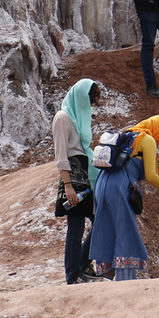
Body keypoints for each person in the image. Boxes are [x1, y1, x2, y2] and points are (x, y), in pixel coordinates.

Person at [90, 115, 159, 281]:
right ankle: (126, 280)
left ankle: (105, 275)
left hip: (102, 185)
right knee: (125, 229)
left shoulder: (128, 134)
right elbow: (151, 176)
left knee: (105, 227)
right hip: (119, 187)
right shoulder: (147, 139)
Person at [53, 79, 101, 284]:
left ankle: (82, 263)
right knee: (76, 227)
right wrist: (68, 186)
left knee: (99, 222)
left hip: (87, 175)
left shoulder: (80, 117)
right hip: (73, 176)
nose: (90, 106)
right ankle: (73, 274)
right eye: (90, 101)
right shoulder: (62, 118)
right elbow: (61, 156)